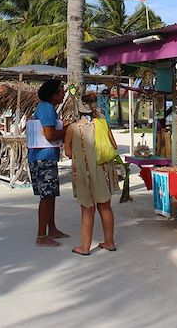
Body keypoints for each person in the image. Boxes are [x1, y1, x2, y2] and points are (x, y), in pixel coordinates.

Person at [64, 93, 119, 256]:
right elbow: (113, 145)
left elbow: (68, 152)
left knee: (87, 210)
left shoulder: (73, 128)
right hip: (103, 171)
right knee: (105, 207)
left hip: (84, 172)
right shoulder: (102, 124)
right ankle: (109, 242)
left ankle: (85, 247)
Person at [27, 79, 68, 247]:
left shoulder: (46, 108)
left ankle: (51, 228)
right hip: (43, 158)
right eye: (61, 90)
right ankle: (41, 236)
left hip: (43, 157)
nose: (63, 93)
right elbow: (50, 135)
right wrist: (70, 128)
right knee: (46, 197)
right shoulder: (47, 108)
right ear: (54, 94)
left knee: (50, 195)